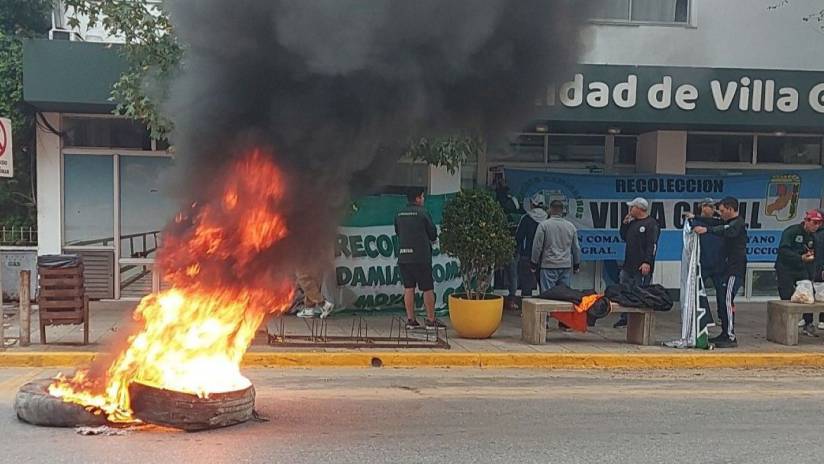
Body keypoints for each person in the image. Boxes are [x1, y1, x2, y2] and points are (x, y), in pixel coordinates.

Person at [693, 196, 748, 348]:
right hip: (726, 269)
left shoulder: (737, 224)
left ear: (730, 209)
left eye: (723, 211)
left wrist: (707, 230)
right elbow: (714, 222)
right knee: (722, 300)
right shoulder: (727, 222)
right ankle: (725, 332)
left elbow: (724, 230)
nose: (720, 213)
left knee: (727, 302)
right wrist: (696, 217)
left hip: (734, 270)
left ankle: (730, 336)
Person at [394, 187, 445, 330]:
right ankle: (430, 320)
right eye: (422, 197)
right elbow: (433, 233)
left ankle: (411, 320)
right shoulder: (423, 213)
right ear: (417, 198)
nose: (423, 199)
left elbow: (397, 231)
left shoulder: (399, 213)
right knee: (427, 288)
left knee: (408, 288)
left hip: (404, 257)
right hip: (421, 257)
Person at [614, 197, 660, 328]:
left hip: (641, 266)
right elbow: (623, 237)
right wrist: (625, 224)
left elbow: (652, 245)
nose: (630, 210)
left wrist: (647, 262)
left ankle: (637, 319)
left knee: (639, 291)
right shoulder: (633, 223)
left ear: (639, 208)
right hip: (628, 264)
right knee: (624, 289)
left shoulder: (651, 224)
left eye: (632, 207)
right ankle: (624, 316)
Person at [775, 209, 823, 336]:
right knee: (786, 295)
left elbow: (816, 255)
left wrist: (811, 260)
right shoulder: (792, 231)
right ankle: (785, 325)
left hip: (801, 268)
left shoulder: (815, 236)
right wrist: (799, 257)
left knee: (809, 294)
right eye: (814, 222)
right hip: (785, 267)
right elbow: (783, 250)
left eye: (819, 223)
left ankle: (808, 323)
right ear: (806, 221)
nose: (816, 226)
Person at [686, 198, 724, 327]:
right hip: (703, 262)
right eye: (708, 206)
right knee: (697, 291)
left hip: (719, 263)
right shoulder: (695, 221)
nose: (712, 209)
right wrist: (694, 218)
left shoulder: (719, 221)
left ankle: (723, 316)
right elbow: (692, 229)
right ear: (702, 207)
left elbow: (719, 223)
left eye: (713, 207)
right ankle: (699, 316)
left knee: (722, 292)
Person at [530, 199, 581, 292]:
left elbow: (537, 246)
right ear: (562, 211)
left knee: (548, 296)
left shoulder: (544, 225)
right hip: (565, 266)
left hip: (548, 266)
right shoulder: (571, 226)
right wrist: (576, 265)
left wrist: (534, 263)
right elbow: (576, 248)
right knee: (564, 296)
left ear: (550, 210)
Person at [513, 193, 548, 304]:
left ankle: (526, 309)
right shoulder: (548, 219)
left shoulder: (526, 218)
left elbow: (518, 237)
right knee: (544, 284)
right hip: (545, 256)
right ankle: (545, 308)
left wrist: (515, 251)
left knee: (526, 283)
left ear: (532, 204)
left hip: (527, 255)